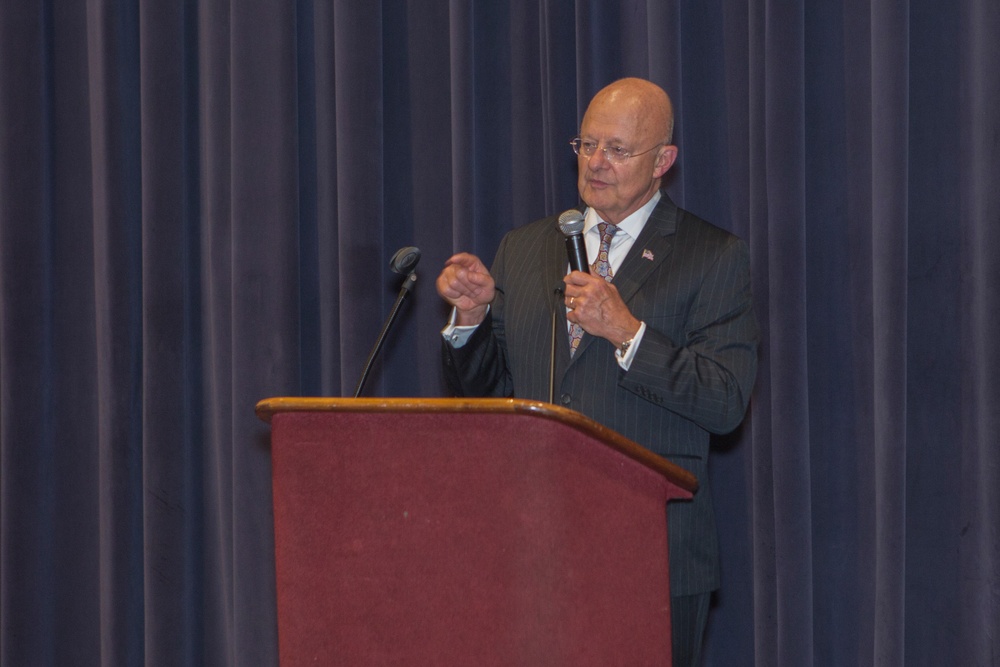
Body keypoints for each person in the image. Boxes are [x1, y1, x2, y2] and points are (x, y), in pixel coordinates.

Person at [435, 77, 758, 666]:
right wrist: (473, 319)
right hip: (530, 547)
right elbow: (490, 397)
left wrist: (629, 334)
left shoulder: (712, 256)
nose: (597, 163)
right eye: (586, 145)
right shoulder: (526, 248)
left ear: (663, 160)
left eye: (617, 149)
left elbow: (725, 400)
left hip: (649, 551)